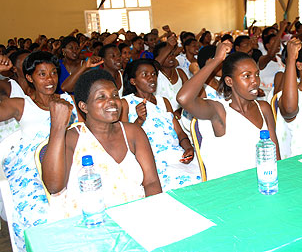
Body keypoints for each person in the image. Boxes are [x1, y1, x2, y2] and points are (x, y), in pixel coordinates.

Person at [43, 69, 162, 221]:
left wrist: (153, 216)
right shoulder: (73, 138)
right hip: (91, 223)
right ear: (84, 106)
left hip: (137, 218)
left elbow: (151, 183)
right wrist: (58, 127)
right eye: (101, 96)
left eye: (115, 95)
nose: (112, 101)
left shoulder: (133, 133)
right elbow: (54, 186)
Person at [0, 51, 79, 251]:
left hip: (70, 166)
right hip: (33, 174)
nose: (50, 79)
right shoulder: (21, 105)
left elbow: (83, 135)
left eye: (53, 73)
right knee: (43, 218)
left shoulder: (69, 101)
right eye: (41, 74)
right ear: (29, 78)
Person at [177, 42, 280, 180]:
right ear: (229, 81)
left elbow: (275, 157)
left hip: (264, 182)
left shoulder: (263, 108)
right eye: (246, 76)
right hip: (232, 188)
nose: (255, 81)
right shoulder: (220, 112)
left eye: (256, 75)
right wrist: (216, 60)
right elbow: (183, 98)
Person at [121, 59, 201, 190]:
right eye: (145, 75)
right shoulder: (125, 103)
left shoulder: (163, 102)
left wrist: (188, 148)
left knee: (207, 173)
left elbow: (179, 133)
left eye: (153, 74)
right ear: (133, 81)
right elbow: (124, 140)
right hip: (152, 160)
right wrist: (139, 121)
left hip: (176, 155)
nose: (151, 78)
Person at [154, 35, 188, 118]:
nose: (171, 57)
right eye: (167, 55)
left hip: (182, 115)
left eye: (172, 54)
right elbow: (155, 64)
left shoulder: (180, 72)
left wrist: (180, 110)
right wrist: (169, 46)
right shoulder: (155, 74)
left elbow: (189, 95)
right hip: (162, 117)